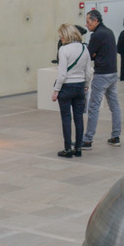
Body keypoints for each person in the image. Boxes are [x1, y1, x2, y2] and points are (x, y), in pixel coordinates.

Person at [81, 9, 122, 148]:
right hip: (113, 73)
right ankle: (116, 136)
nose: (86, 25)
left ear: (95, 21)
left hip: (102, 74)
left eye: (88, 22)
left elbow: (88, 54)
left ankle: (87, 139)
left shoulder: (97, 35)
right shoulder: (109, 32)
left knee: (93, 107)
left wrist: (94, 55)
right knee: (114, 106)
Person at [51, 24, 93, 157]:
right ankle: (78, 148)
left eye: (61, 35)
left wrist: (56, 90)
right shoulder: (84, 48)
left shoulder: (63, 50)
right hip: (80, 86)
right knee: (79, 117)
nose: (60, 38)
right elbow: (88, 71)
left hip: (66, 87)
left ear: (66, 35)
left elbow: (62, 74)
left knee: (66, 118)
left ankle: (67, 149)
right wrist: (86, 84)